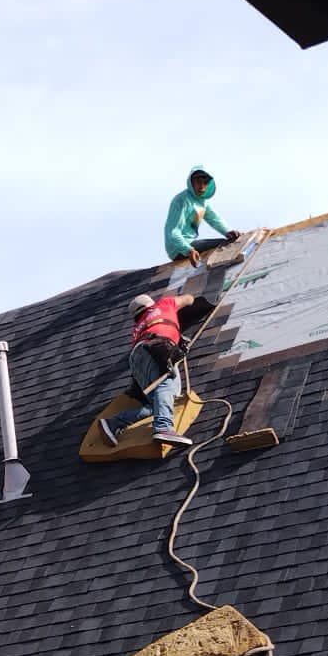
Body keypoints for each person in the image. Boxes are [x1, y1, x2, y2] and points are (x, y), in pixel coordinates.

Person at [100, 292, 200, 448]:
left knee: (158, 404)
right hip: (155, 348)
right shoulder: (163, 304)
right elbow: (189, 299)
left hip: (136, 358)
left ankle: (115, 423)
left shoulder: (138, 327)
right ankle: (163, 427)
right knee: (166, 385)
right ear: (150, 305)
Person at [164, 167, 241, 266]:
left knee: (230, 241)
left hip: (190, 244)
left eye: (205, 183)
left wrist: (228, 231)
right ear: (191, 183)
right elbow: (173, 232)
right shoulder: (182, 200)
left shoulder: (202, 202)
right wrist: (188, 250)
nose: (201, 186)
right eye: (198, 182)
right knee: (224, 244)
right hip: (178, 247)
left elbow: (214, 219)